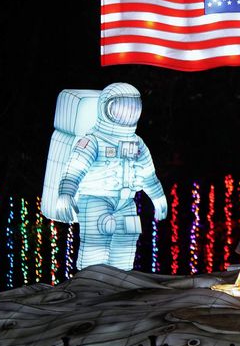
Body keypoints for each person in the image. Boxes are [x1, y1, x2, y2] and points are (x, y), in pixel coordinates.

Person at [55, 83, 167, 270]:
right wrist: (66, 194)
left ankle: (118, 285)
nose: (128, 112)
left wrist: (158, 198)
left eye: (133, 107)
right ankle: (90, 286)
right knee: (95, 244)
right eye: (121, 107)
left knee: (126, 242)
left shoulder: (137, 143)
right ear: (106, 108)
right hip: (96, 199)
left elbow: (148, 175)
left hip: (126, 202)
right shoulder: (92, 141)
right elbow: (74, 169)